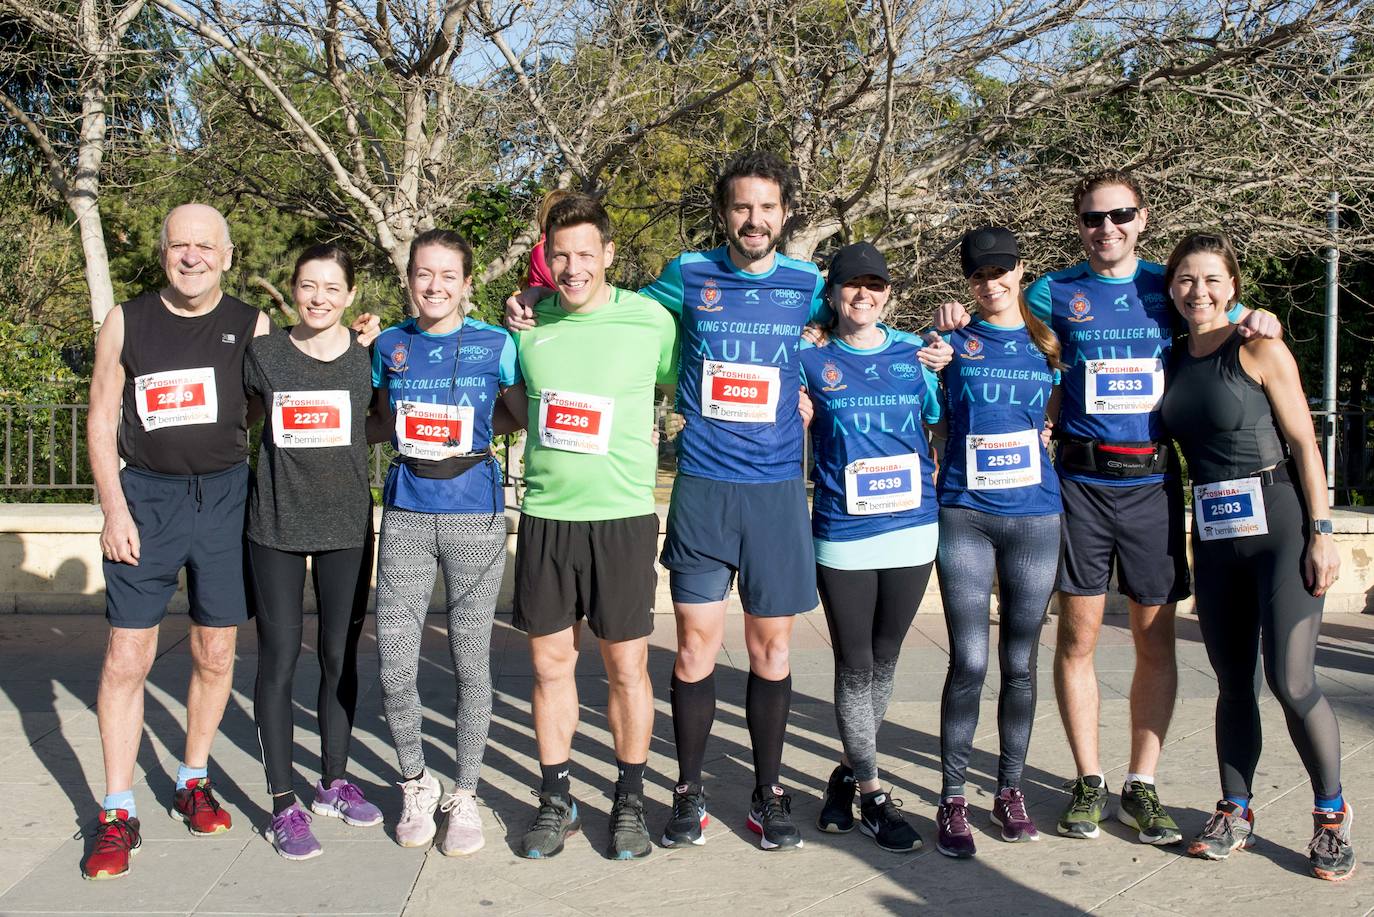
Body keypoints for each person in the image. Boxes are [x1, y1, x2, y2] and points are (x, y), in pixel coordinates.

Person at [508, 152, 951, 851]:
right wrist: (535, 295)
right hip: (704, 489)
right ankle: (687, 791)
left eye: (767, 207)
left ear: (784, 214)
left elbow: (860, 320)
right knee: (693, 647)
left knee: (772, 648)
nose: (754, 219)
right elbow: (601, 299)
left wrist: (922, 344)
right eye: (742, 207)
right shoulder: (687, 274)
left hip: (776, 492)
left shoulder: (808, 283)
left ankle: (769, 793)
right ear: (725, 214)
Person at [934, 170, 1280, 845]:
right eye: (1093, 219)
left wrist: (1252, 316)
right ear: (1080, 227)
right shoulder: (1054, 289)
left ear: (1142, 219)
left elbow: (1215, 306)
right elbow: (996, 312)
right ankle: (1088, 779)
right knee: (1078, 639)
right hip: (1080, 486)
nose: (1107, 228)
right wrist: (947, 318)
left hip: (1152, 483)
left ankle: (1141, 783)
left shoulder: (1167, 284)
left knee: (1155, 639)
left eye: (1120, 215)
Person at [83, 203, 272, 880]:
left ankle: (193, 777)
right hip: (147, 502)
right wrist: (114, 508)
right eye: (178, 245)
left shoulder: (252, 322)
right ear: (163, 252)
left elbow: (266, 402)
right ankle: (116, 808)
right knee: (126, 655)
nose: (190, 256)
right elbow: (102, 417)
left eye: (204, 246)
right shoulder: (126, 320)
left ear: (226, 256)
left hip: (225, 498)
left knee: (215, 648)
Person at [1158, 232, 1352, 881]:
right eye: (1186, 278)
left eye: (1212, 279)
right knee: (1232, 681)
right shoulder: (1171, 357)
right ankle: (1234, 809)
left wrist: (1324, 532)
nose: (1198, 290)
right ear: (1172, 287)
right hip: (1214, 533)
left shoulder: (1260, 346)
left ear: (1234, 285)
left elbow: (1304, 442)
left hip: (1281, 525)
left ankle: (1330, 814)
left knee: (1291, 680)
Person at [501, 192, 678, 860]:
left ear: (609, 253)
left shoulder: (651, 321)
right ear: (545, 258)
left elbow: (676, 379)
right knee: (550, 666)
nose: (573, 267)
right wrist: (514, 307)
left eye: (586, 253)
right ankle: (557, 799)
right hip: (548, 519)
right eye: (560, 255)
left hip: (624, 521)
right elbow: (515, 402)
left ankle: (629, 799)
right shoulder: (528, 320)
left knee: (627, 668)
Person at [371, 229, 518, 856]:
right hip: (405, 513)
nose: (435, 286)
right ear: (409, 280)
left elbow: (517, 411)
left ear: (466, 283)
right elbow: (375, 418)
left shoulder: (497, 343)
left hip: (474, 515)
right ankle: (415, 781)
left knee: (470, 659)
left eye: (447, 276)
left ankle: (464, 791)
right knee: (395, 661)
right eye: (423, 275)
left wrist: (470, 440)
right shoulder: (386, 345)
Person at [801, 242, 939, 854]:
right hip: (844, 533)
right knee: (854, 663)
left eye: (875, 286)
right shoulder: (809, 358)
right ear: (832, 293)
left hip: (914, 529)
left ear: (888, 294)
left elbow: (941, 419)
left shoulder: (915, 354)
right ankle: (876, 791)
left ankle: (849, 774)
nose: (865, 295)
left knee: (885, 657)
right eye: (852, 286)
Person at [243, 243, 380, 860]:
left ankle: (334, 780)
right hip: (273, 526)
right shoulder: (263, 354)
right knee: (277, 660)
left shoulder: (368, 357)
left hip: (347, 529)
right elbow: (236, 415)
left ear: (350, 296)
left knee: (337, 658)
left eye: (331, 287)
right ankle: (282, 803)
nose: (318, 297)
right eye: (307, 286)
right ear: (292, 290)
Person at [932, 227, 1063, 858]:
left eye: (1002, 271)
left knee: (1020, 663)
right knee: (971, 661)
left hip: (1036, 520)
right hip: (966, 517)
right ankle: (952, 796)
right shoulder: (950, 345)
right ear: (967, 281)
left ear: (1020, 270)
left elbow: (1074, 407)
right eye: (979, 275)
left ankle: (1009, 789)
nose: (992, 283)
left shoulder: (1050, 342)